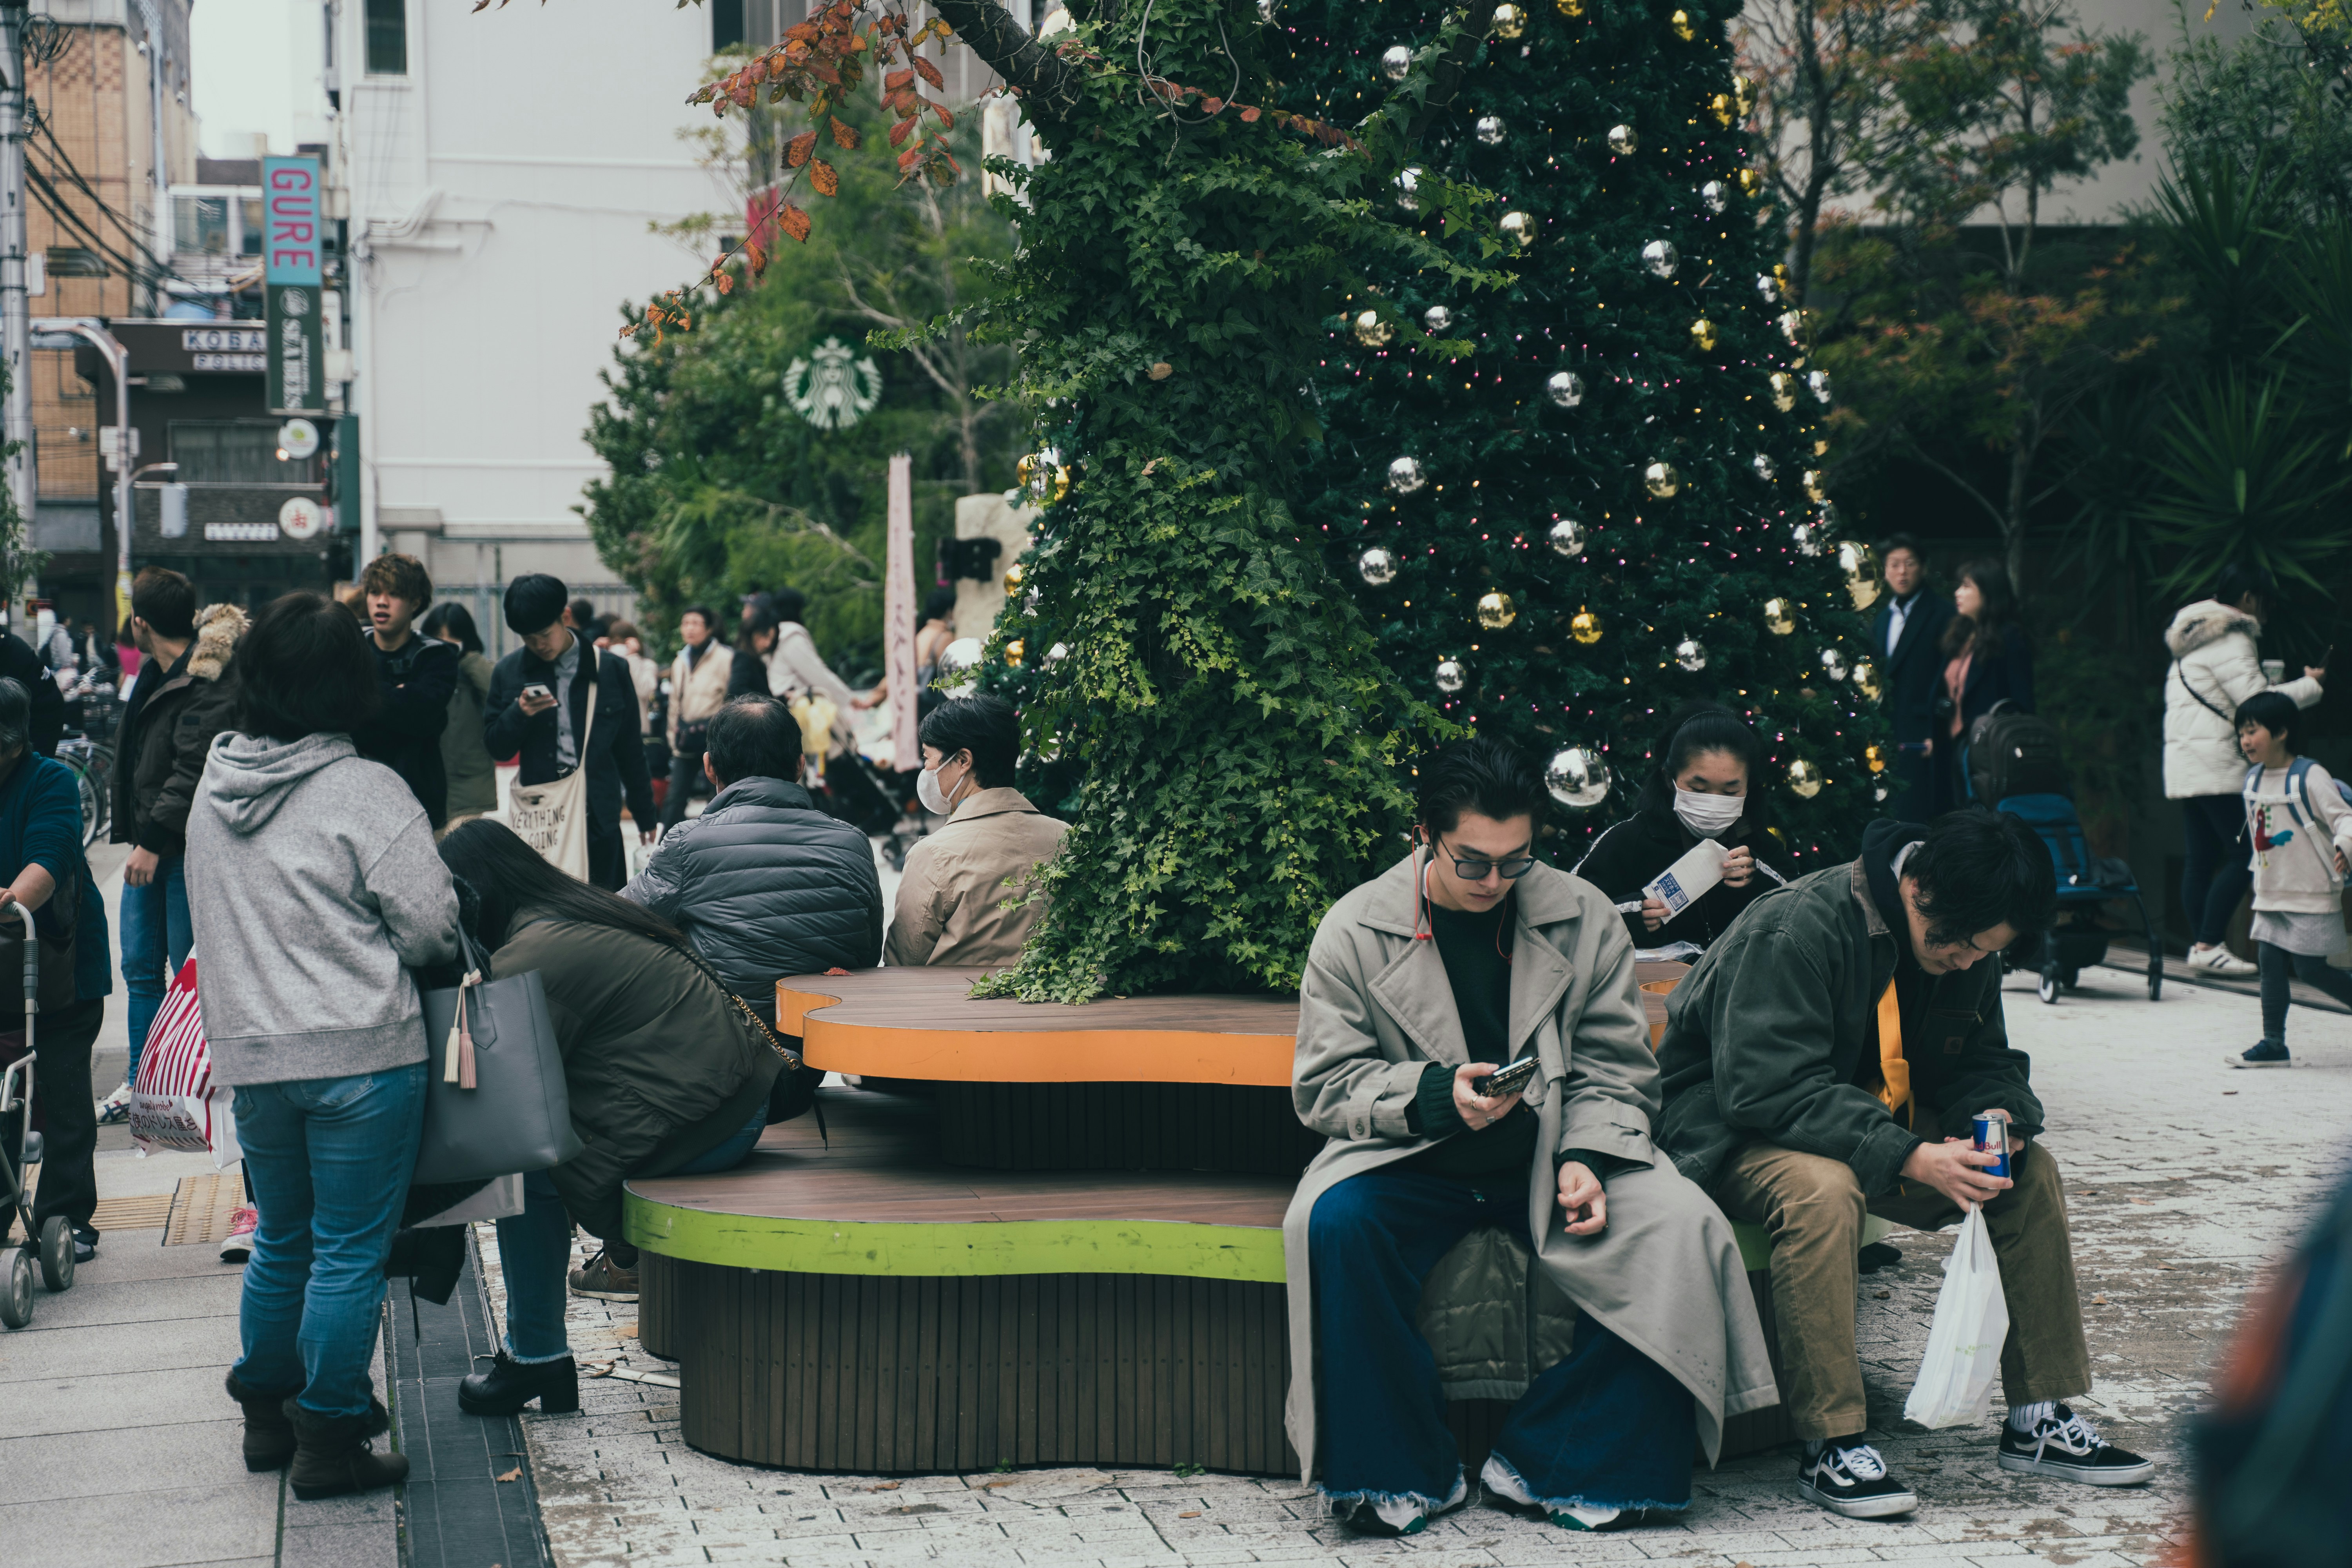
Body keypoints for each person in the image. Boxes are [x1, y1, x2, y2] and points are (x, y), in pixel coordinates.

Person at [1283, 738, 1774, 1537]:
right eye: (1472, 862)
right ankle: (1395, 1469)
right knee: (1333, 1225)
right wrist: (1436, 1094)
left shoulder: (1581, 914)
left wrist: (1587, 1154)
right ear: (1424, 835)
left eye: (1517, 862)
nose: (1496, 882)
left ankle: (1562, 1459)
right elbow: (1325, 1084)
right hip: (1407, 1155)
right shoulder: (1353, 927)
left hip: (1553, 1153)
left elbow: (1615, 1066)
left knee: (1683, 1226)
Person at [1657, 808, 2153, 1520]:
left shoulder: (1962, 940)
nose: (1970, 963)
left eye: (1988, 952)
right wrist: (1913, 1155)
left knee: (2028, 1174)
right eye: (1963, 947)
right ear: (1917, 889)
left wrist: (2001, 1121)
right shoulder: (1797, 925)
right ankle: (1832, 1444)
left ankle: (2038, 1417)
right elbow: (1766, 1088)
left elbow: (1985, 1060)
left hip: (1861, 1119)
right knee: (1823, 1192)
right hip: (1730, 1127)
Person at [186, 591, 459, 1500]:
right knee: (349, 1250)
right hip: (362, 1056)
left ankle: (266, 1412)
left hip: (256, 1057)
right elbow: (429, 926)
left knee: (282, 1241)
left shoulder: (212, 791)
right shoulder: (366, 789)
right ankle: (331, 1436)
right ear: (352, 679)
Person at [436, 818, 784, 1409]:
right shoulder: (577, 912)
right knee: (532, 1157)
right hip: (734, 1101)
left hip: (711, 1124)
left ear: (475, 895)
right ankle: (538, 1357)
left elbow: (506, 1095)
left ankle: (535, 1358)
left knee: (522, 1174)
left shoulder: (532, 954)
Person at [624, 694, 881, 1026]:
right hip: (818, 1046)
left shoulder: (688, 842)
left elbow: (620, 920)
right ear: (801, 765)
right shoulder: (852, 843)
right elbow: (869, 952)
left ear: (709, 766)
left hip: (728, 1044)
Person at [102, 568, 245, 1120]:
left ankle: (198, 1087)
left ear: (141, 622)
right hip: (151, 843)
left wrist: (153, 841)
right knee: (140, 969)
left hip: (186, 849)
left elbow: (193, 768)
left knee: (191, 973)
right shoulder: (156, 674)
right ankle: (146, 1085)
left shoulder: (208, 678)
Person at [0, 678, 113, 1266]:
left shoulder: (51, 781)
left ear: (16, 742)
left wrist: (10, 899)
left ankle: (66, 1218)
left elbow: (49, 859)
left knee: (65, 1090)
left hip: (61, 958)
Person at [2165, 564, 2325, 978]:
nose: (2267, 611)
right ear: (2250, 598)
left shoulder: (2194, 636)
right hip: (2215, 761)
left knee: (2200, 859)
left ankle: (2202, 944)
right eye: (2266, 601)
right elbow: (2254, 702)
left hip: (2186, 761)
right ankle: (2207, 942)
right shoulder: (2232, 635)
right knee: (2246, 852)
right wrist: (2308, 686)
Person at [483, 574, 656, 891]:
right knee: (547, 915)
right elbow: (497, 747)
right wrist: (518, 713)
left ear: (565, 617)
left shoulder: (610, 670)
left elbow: (630, 749)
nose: (539, 645)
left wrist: (645, 814)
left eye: (545, 634)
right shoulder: (509, 672)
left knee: (606, 914)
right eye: (528, 638)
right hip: (542, 820)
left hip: (598, 816)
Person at [1572, 701, 1783, 952]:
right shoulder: (1630, 840)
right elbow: (1572, 912)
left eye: (1730, 791)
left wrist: (1756, 876)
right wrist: (1632, 916)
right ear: (1669, 780)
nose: (1713, 803)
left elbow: (1799, 907)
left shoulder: (1758, 843)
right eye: (1698, 789)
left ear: (1749, 788)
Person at [885, 694, 1067, 967]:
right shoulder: (1068, 838)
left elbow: (903, 963)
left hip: (958, 1007)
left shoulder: (933, 855)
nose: (926, 769)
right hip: (1061, 1007)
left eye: (928, 757)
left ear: (963, 761)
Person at [2226, 691, 2352, 1068]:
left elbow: (2343, 817)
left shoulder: (2310, 775)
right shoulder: (2253, 779)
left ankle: (2274, 1042)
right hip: (2271, 890)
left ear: (2281, 732)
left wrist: (2345, 845)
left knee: (2311, 968)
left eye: (2252, 731)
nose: (2245, 740)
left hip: (2311, 890)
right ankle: (2274, 1043)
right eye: (2241, 733)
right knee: (2270, 962)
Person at [351, 554, 458, 828]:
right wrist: (401, 695)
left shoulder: (437, 654)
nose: (381, 602)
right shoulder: (352, 647)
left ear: (416, 602)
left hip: (419, 798)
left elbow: (422, 717)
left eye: (395, 594)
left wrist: (363, 694)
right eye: (374, 592)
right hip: (358, 795)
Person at [1932, 558, 2035, 814]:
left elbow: (2022, 704)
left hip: (1990, 752)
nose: (1958, 593)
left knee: (1985, 820)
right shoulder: (1961, 635)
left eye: (1967, 586)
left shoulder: (2009, 638)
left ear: (1988, 593)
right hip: (1957, 746)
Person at [1870, 535, 1954, 816]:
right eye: (1894, 565)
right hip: (1886, 734)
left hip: (1925, 734)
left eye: (1909, 564)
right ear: (1885, 571)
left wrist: (1938, 731)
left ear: (1924, 568)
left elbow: (1949, 678)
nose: (1902, 572)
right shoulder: (1882, 619)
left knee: (1923, 813)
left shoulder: (1943, 614)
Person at [418, 603, 498, 825]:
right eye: (438, 637)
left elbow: (498, 694)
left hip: (468, 786)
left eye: (453, 637)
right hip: (426, 786)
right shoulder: (421, 671)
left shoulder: (475, 670)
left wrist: (467, 658)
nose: (445, 644)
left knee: (461, 854)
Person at [661, 605, 734, 830]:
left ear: (709, 628)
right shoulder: (680, 661)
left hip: (715, 735)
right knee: (675, 798)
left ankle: (721, 841)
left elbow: (731, 699)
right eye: (686, 623)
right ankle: (667, 849)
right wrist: (672, 736)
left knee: (720, 795)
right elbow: (675, 702)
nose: (689, 628)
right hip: (685, 737)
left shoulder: (725, 658)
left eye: (696, 623)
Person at [854, 586, 959, 711]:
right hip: (935, 708)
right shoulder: (944, 637)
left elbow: (899, 671)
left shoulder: (921, 635)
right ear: (949, 611)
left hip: (916, 708)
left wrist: (875, 697)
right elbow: (955, 675)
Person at [603, 620, 659, 735]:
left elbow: (645, 692)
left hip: (638, 731)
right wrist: (596, 653)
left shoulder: (647, 665)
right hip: (609, 731)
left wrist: (632, 658)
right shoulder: (604, 662)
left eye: (623, 643)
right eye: (615, 643)